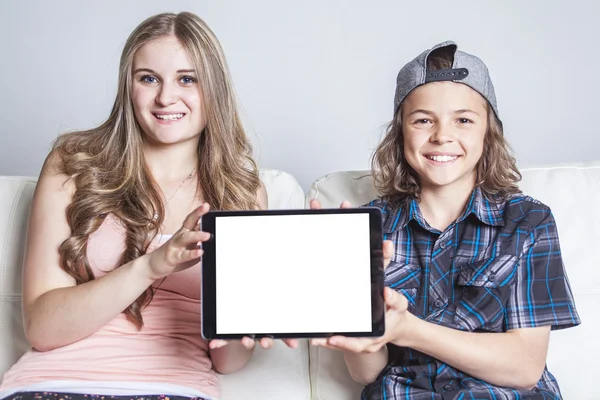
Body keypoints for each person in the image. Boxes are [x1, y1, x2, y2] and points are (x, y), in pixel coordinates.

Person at [0, 11, 296, 400]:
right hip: (52, 385)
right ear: (128, 86)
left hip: (173, 390)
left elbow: (229, 362)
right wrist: (153, 265)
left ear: (215, 90)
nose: (165, 97)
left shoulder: (241, 192)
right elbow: (42, 328)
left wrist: (255, 312)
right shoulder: (73, 164)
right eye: (148, 78)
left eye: (187, 79)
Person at [310, 41, 580, 399]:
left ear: (488, 132)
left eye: (463, 120)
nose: (442, 136)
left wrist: (408, 330)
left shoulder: (528, 222)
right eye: (423, 120)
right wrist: (348, 301)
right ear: (401, 133)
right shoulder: (368, 227)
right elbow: (368, 372)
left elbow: (525, 367)